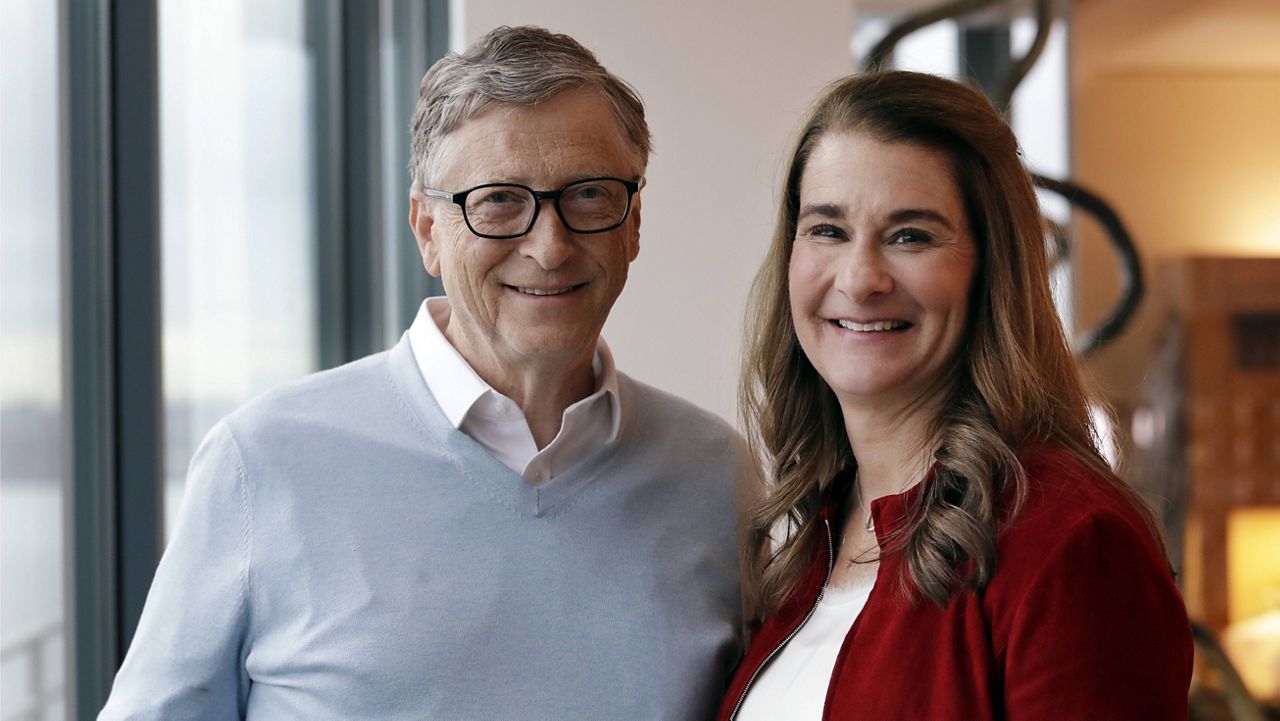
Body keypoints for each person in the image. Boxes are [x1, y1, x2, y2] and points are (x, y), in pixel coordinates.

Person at [101, 26, 753, 721]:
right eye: (499, 199)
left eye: (588, 195)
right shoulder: (260, 463)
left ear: (634, 224)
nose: (550, 245)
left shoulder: (716, 477)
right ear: (426, 229)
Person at [718, 71, 1193, 721]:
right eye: (828, 229)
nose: (860, 278)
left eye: (910, 234)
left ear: (991, 267)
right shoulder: (810, 539)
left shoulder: (1073, 539)